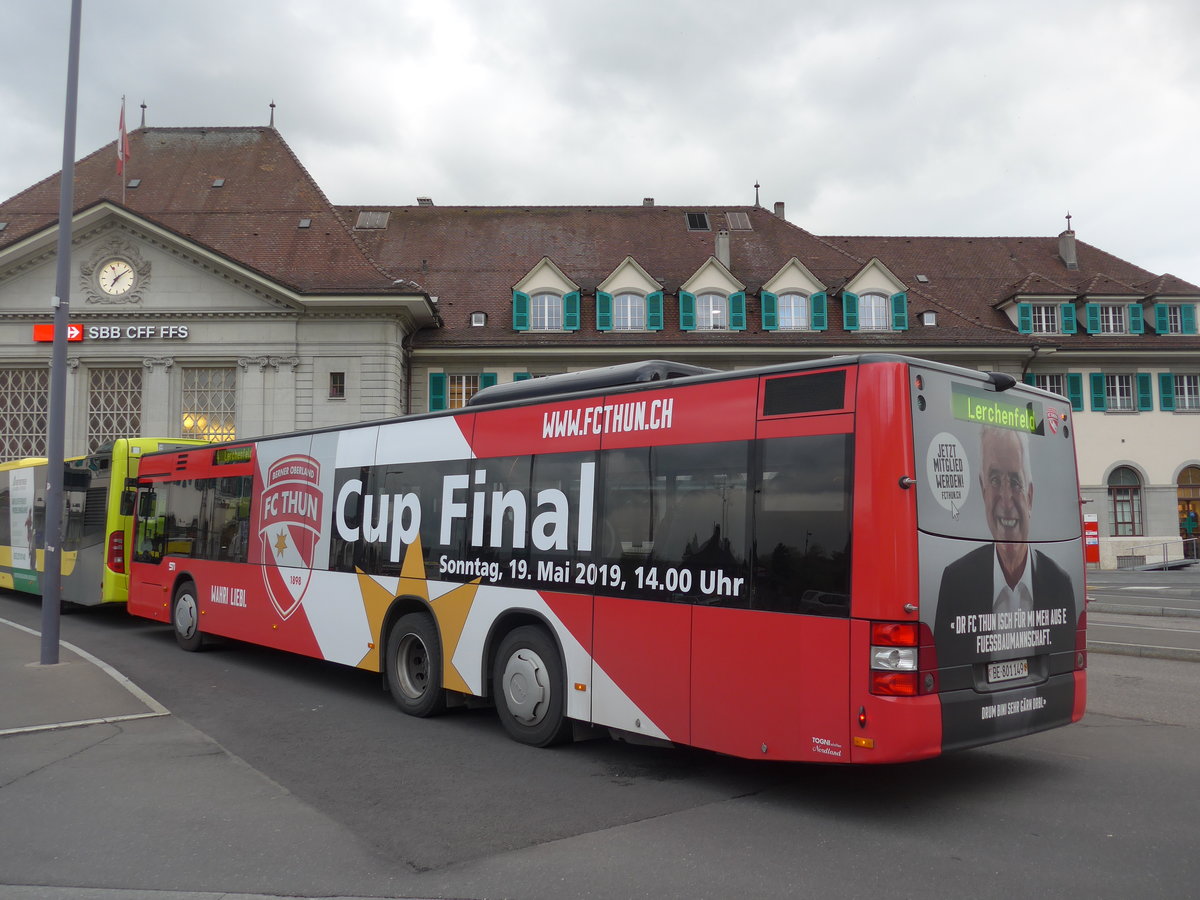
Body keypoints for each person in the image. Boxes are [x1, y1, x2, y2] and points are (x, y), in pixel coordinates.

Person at [934, 426, 1074, 668]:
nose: (1006, 500)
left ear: (1030, 496)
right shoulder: (955, 582)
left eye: (1016, 482)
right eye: (995, 480)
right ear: (983, 490)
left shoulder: (1060, 583)